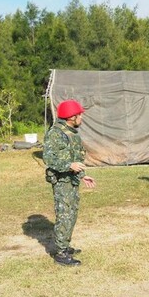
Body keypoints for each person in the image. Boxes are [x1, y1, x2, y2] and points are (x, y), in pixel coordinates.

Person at [44, 99, 96, 266]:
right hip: (61, 181)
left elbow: (74, 158)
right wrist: (68, 166)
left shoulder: (70, 132)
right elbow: (50, 158)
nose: (82, 117)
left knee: (71, 213)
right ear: (71, 117)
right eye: (79, 115)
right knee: (64, 215)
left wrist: (82, 175)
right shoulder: (56, 133)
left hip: (71, 180)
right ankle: (61, 253)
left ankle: (64, 246)